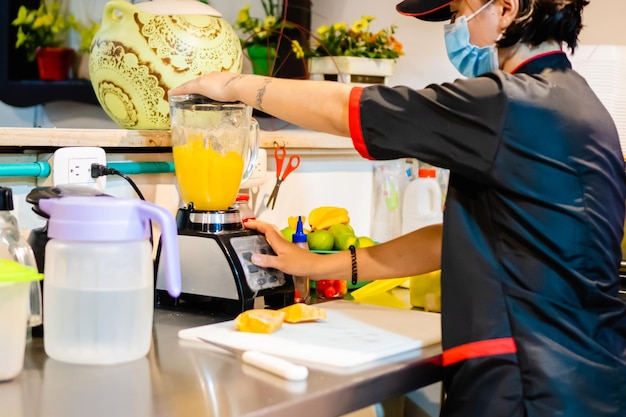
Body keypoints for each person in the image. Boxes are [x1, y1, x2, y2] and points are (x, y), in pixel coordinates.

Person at [169, 0, 626, 415]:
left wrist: (233, 84)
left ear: (506, 9)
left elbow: (350, 110)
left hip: (526, 383)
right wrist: (320, 263)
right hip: (589, 377)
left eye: (457, 14)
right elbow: (461, 239)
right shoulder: (579, 104)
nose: (455, 29)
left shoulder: (508, 104)